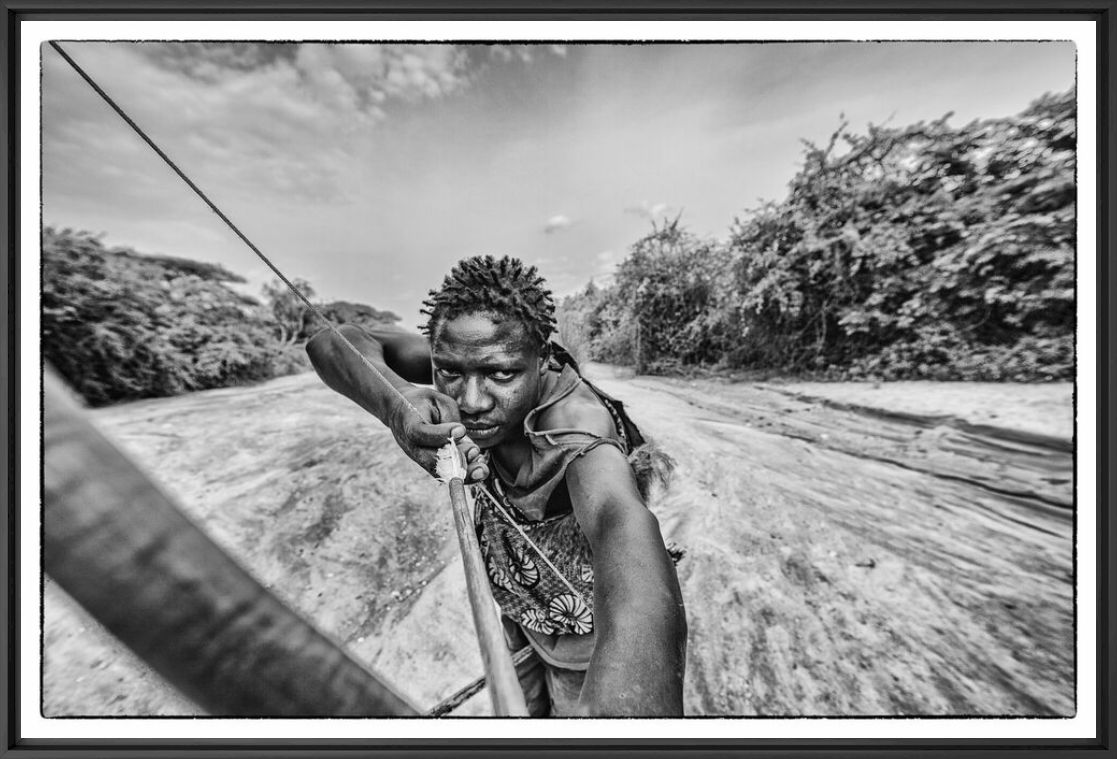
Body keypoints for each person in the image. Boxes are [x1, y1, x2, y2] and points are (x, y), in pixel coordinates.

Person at [306, 254, 686, 716]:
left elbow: (620, 525)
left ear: (543, 359)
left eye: (500, 374)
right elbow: (332, 340)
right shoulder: (467, 355)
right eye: (449, 372)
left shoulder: (576, 433)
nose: (468, 401)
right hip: (517, 603)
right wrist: (396, 402)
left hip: (583, 638)